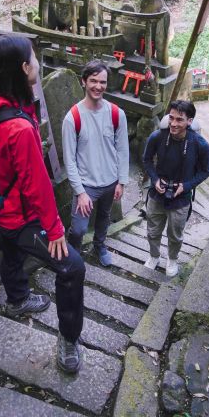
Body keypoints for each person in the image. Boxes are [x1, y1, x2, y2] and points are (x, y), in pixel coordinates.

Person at [0, 34, 85, 374]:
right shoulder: (18, 127)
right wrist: (54, 228)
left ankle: (18, 299)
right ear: (23, 68)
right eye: (33, 59)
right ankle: (68, 340)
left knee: (10, 254)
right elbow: (37, 185)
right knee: (72, 268)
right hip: (20, 218)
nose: (37, 63)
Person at [62, 59, 129, 267]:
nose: (98, 86)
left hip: (110, 181)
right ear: (83, 82)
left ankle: (100, 245)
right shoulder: (72, 118)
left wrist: (122, 181)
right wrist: (80, 192)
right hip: (86, 185)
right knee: (80, 228)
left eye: (103, 82)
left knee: (104, 217)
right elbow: (69, 160)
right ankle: (72, 253)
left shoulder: (117, 114)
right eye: (93, 81)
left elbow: (122, 149)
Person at [142, 99, 209, 277]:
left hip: (181, 198)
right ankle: (154, 255)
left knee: (175, 234)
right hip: (157, 193)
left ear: (189, 121)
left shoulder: (200, 144)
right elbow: (147, 160)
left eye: (180, 119)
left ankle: (172, 259)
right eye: (171, 118)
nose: (173, 123)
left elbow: (206, 171)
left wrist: (186, 186)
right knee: (152, 230)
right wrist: (155, 179)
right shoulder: (157, 137)